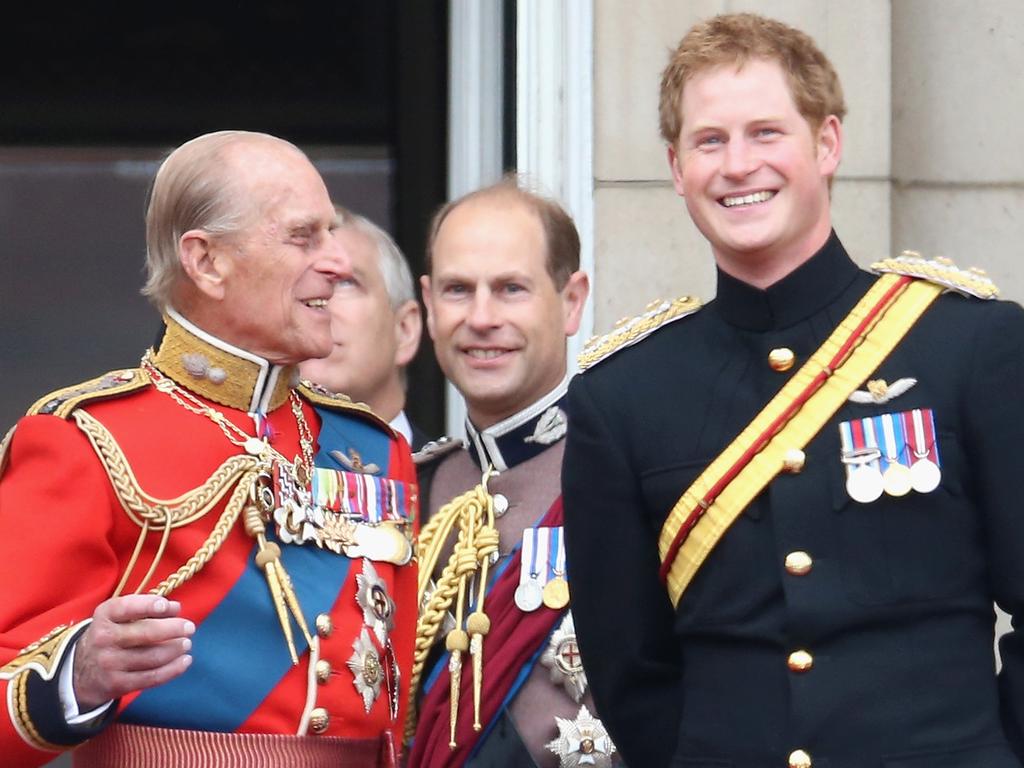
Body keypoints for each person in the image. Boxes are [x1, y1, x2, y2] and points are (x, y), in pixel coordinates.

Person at [562, 12, 1024, 768]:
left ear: (827, 143)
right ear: (678, 168)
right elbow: (629, 670)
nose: (738, 165)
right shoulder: (623, 397)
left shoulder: (969, 345)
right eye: (710, 141)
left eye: (766, 133)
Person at [0, 130, 418, 768]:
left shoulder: (371, 448)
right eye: (304, 236)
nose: (337, 261)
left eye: (332, 234)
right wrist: (75, 677)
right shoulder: (86, 439)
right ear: (206, 262)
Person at [407, 180, 623, 768]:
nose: (481, 318)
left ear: (571, 300)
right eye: (458, 290)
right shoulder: (408, 490)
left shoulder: (632, 477)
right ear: (428, 306)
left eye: (510, 289)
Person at [299, 206, 428, 450]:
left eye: (346, 282)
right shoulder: (242, 480)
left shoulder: (457, 484)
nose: (317, 298)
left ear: (404, 330)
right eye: (300, 283)